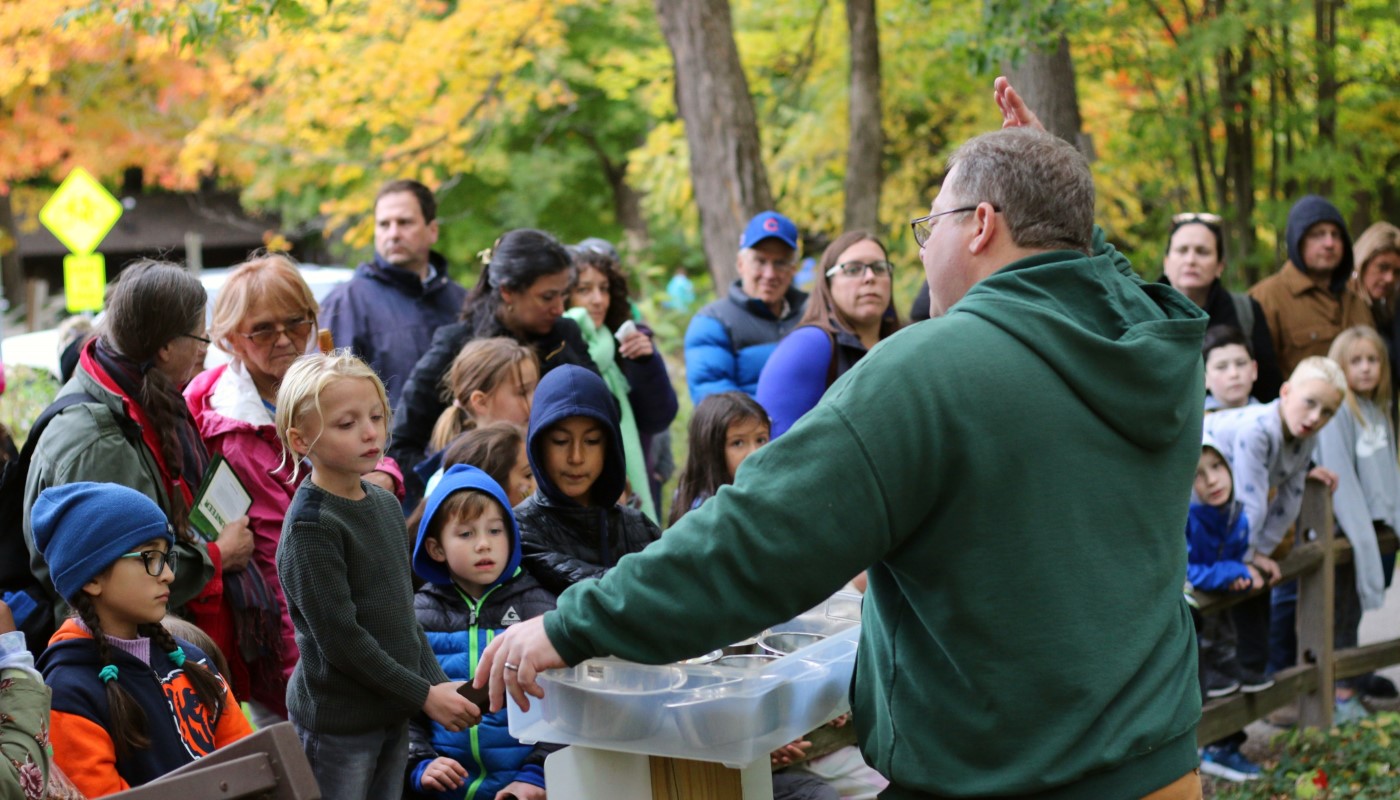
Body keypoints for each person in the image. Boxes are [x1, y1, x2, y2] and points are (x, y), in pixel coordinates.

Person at [479, 80, 1212, 799]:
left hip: (1008, 776)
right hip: (1163, 766)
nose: (923, 255)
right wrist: (1058, 190)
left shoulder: (929, 366)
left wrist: (577, 623)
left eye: (932, 227)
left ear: (981, 226)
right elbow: (1096, 277)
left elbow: (756, 536)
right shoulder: (1157, 343)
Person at [186, 253, 404, 724]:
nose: (285, 339)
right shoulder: (205, 409)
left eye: (296, 322)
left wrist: (386, 471)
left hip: (361, 602)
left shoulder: (335, 381)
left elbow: (378, 438)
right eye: (263, 329)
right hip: (267, 622)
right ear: (229, 337)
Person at [274, 351, 478, 799]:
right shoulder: (313, 526)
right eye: (346, 425)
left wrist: (437, 684)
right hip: (339, 724)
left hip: (391, 708)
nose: (370, 433)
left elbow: (401, 619)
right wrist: (424, 695)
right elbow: (343, 641)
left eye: (376, 417)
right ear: (300, 438)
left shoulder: (385, 505)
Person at [22, 261, 252, 657]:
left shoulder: (115, 388)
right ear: (164, 347)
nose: (204, 349)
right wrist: (215, 557)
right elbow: (120, 574)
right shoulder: (100, 442)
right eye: (200, 336)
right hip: (120, 658)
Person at [33, 482, 252, 797]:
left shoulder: (191, 660)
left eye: (167, 557)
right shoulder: (70, 692)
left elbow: (250, 761)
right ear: (92, 577)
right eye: (150, 557)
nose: (168, 575)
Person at [391, 229, 596, 508]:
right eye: (547, 297)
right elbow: (402, 441)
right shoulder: (457, 346)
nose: (560, 308)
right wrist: (451, 497)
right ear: (507, 292)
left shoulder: (565, 337)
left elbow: (605, 410)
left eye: (564, 295)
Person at [406, 465, 558, 800]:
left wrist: (538, 774)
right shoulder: (416, 615)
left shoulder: (541, 609)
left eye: (494, 531)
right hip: (444, 789)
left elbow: (566, 705)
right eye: (466, 534)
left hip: (522, 788)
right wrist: (419, 763)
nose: (484, 545)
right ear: (436, 549)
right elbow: (404, 704)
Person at [1204, 357, 1344, 687]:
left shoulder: (1306, 437)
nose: (1315, 418)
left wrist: (1263, 551)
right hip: (1200, 493)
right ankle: (1210, 670)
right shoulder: (1258, 430)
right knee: (1209, 581)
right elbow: (1251, 500)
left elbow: (1290, 498)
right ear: (1285, 391)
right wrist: (1249, 557)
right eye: (1310, 403)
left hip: (1227, 513)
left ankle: (1231, 666)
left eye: (1327, 412)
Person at [515, 365, 663, 597]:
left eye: (592, 441)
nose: (576, 457)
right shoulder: (515, 532)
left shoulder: (638, 528)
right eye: (560, 441)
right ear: (538, 443)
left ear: (610, 446)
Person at [319, 179, 469, 408]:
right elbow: (328, 396)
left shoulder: (462, 302)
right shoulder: (347, 303)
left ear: (432, 230)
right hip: (384, 443)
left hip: (462, 441)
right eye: (384, 224)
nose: (393, 233)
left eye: (404, 222)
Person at [1314, 326, 1400, 719]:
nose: (1366, 369)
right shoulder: (1339, 414)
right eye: (1356, 361)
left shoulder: (1378, 408)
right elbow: (1341, 479)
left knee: (1357, 610)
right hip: (1347, 530)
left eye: (1373, 360)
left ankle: (1352, 679)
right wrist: (1362, 534)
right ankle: (1341, 693)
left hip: (1378, 529)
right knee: (1342, 611)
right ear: (1340, 365)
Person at [565, 241, 678, 522]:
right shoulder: (555, 346)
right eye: (584, 289)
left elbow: (658, 417)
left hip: (636, 488)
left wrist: (645, 363)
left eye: (603, 288)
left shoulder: (625, 340)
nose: (597, 300)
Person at [757, 231, 902, 436]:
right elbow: (775, 451)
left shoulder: (903, 344)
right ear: (828, 283)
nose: (870, 277)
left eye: (879, 268)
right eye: (853, 269)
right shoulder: (808, 346)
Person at [1187, 437, 1272, 783]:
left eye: (1217, 467)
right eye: (1198, 474)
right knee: (1210, 687)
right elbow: (1187, 569)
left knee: (1233, 677)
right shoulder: (1188, 519)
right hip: (1199, 627)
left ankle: (1227, 744)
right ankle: (1213, 748)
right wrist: (1231, 572)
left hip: (1225, 624)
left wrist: (1246, 566)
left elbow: (1236, 556)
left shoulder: (1235, 514)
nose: (1212, 480)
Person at [684, 211, 808, 404]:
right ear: (741, 264)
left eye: (780, 263)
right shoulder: (712, 322)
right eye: (760, 261)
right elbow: (713, 400)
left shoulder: (812, 315)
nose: (769, 274)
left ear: (793, 269)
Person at [1249, 195, 1374, 380]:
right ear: (1296, 241)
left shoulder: (1357, 300)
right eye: (1317, 234)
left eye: (1336, 234)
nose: (1329, 243)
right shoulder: (1265, 298)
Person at [1163, 213, 1283, 401]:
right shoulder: (1142, 312)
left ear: (1220, 266)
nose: (1191, 260)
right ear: (1166, 263)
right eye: (1182, 250)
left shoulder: (1245, 312)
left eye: (1202, 251)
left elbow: (1269, 390)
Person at [668, 392, 771, 526]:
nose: (755, 452)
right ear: (710, 450)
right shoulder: (704, 515)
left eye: (761, 440)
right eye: (738, 443)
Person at [1350, 222, 1400, 390]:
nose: (1389, 278)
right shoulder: (1342, 305)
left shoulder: (1387, 310)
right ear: (1363, 262)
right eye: (1382, 267)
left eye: (1397, 272)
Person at [1202, 325, 1261, 411]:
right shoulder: (1197, 421)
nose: (1234, 374)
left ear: (1254, 369)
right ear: (1203, 377)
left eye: (1241, 363)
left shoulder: (1272, 417)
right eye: (1221, 367)